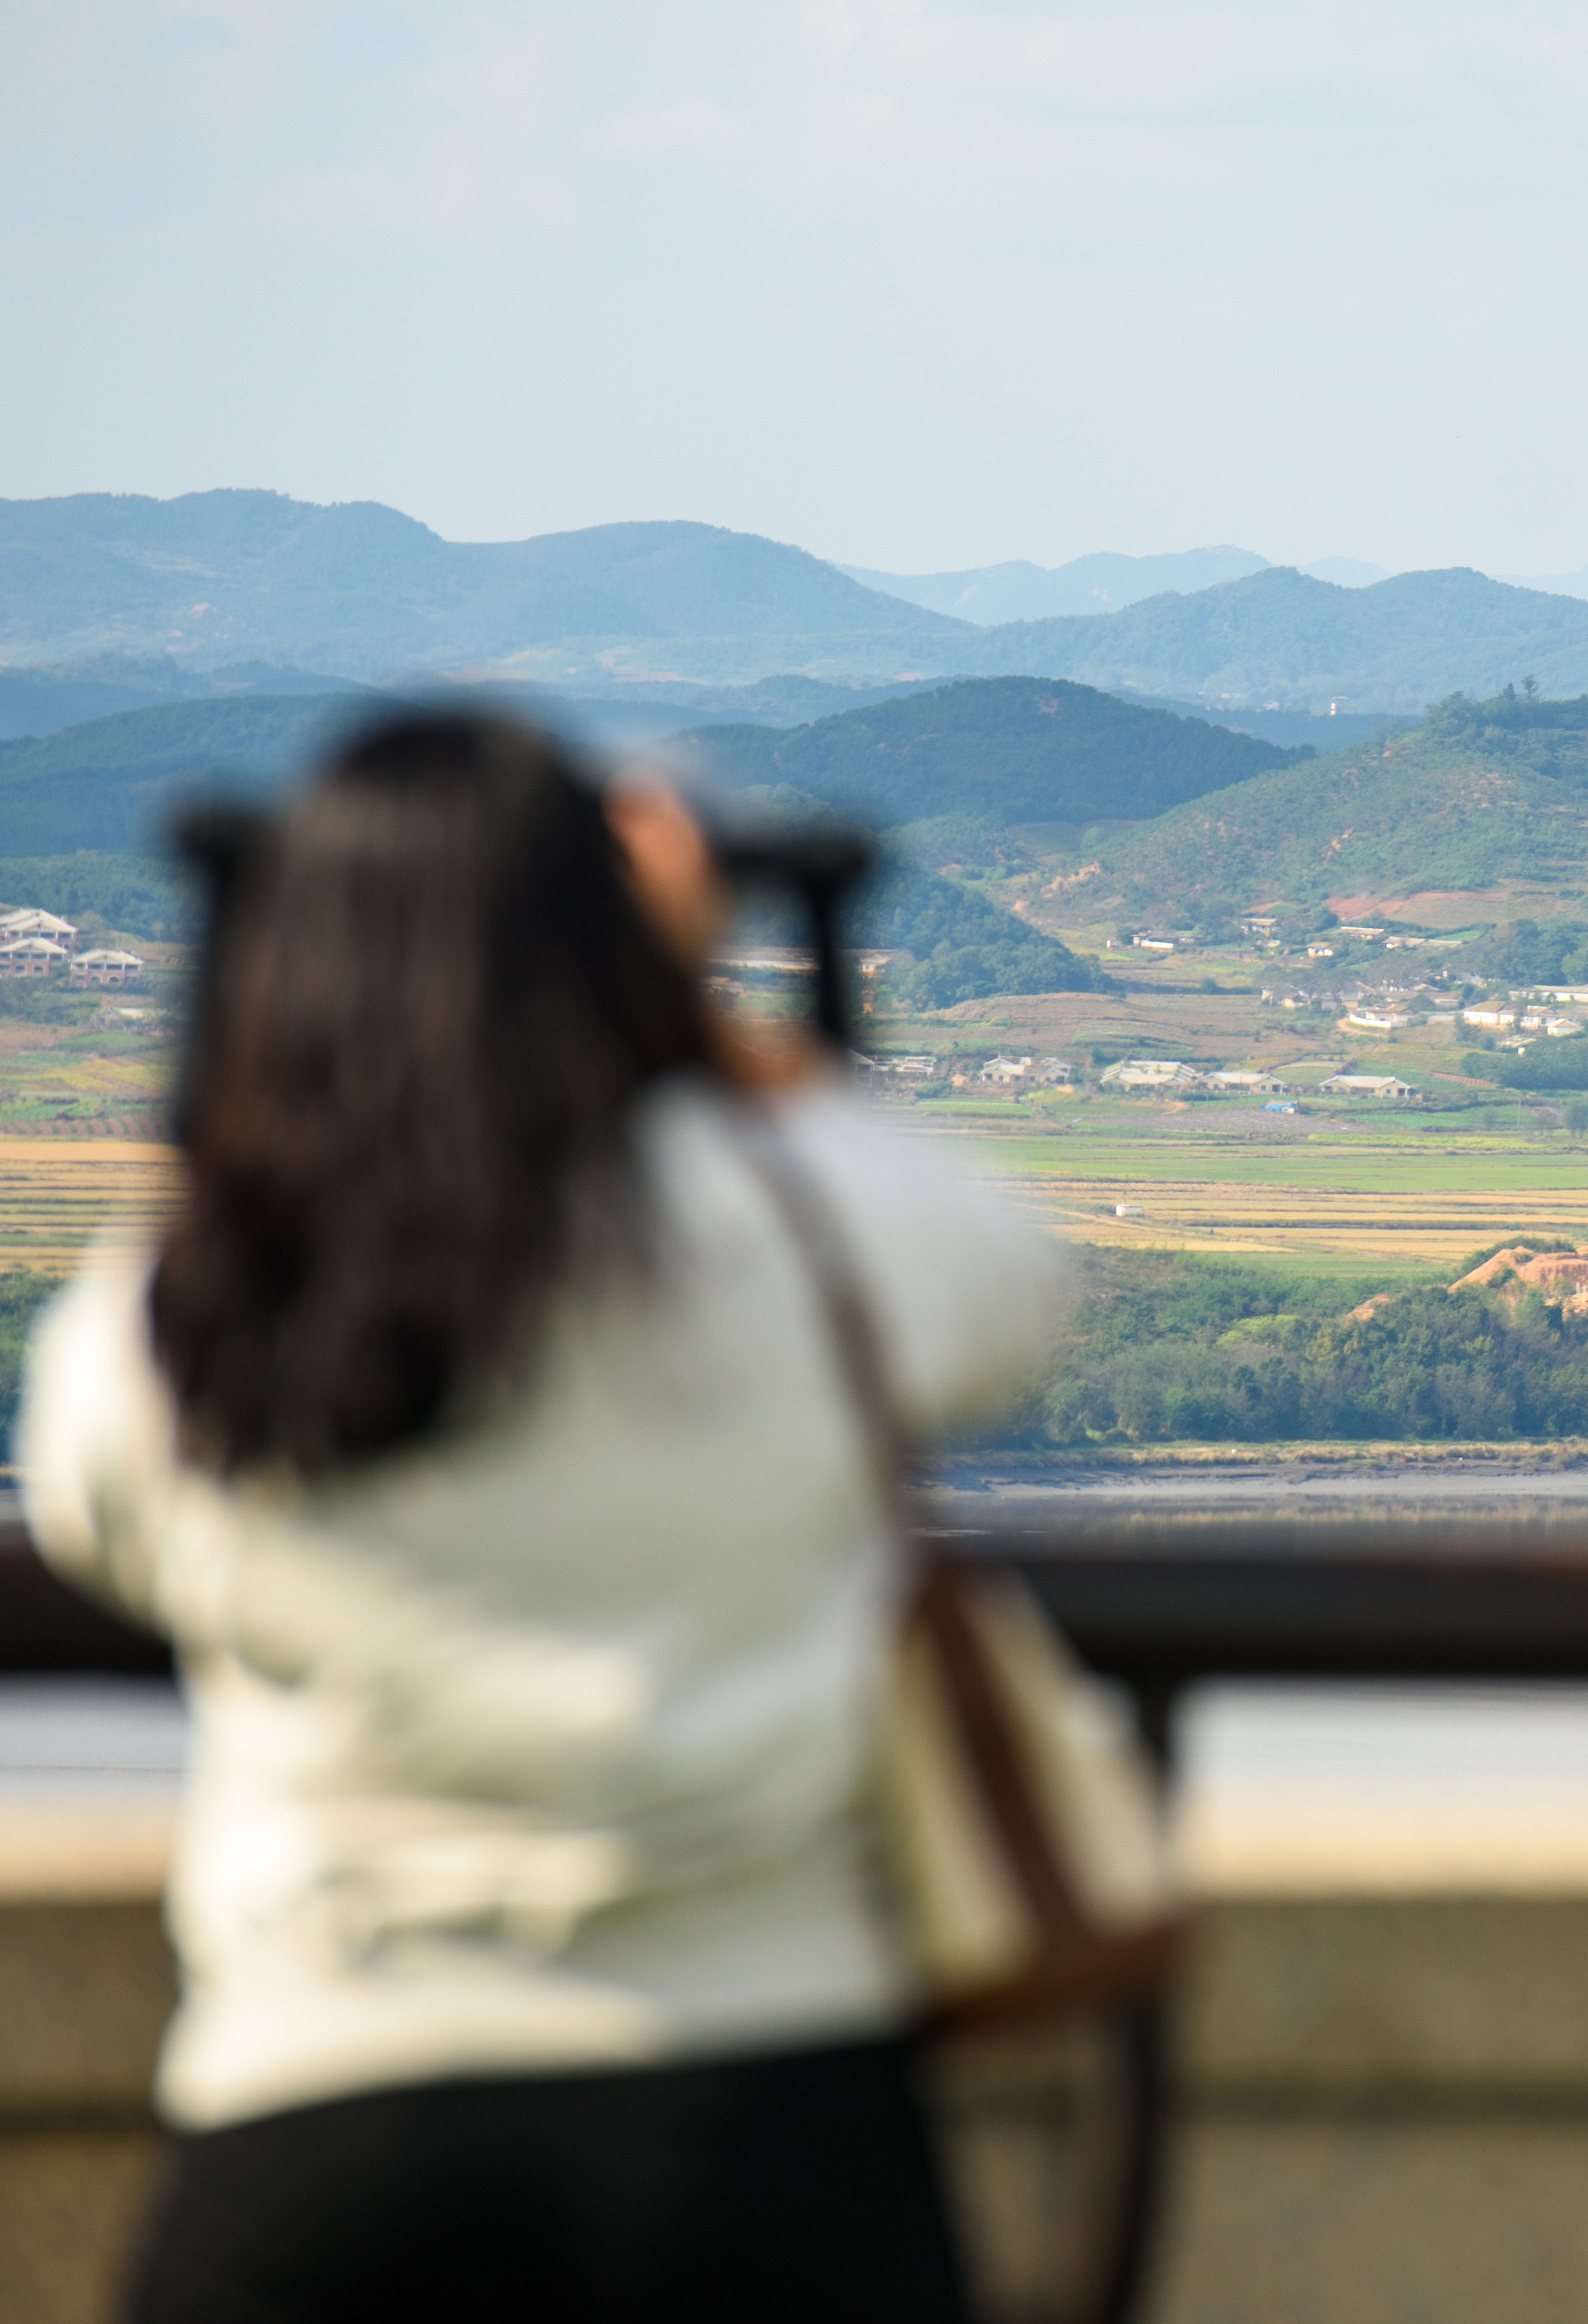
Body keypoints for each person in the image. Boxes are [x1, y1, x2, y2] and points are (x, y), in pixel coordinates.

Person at [21, 712, 1073, 2323]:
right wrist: (692, 1014)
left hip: (315, 2100)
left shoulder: (196, 1286)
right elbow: (1016, 1288)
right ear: (616, 942)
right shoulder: (791, 1220)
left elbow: (98, 1514)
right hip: (760, 2095)